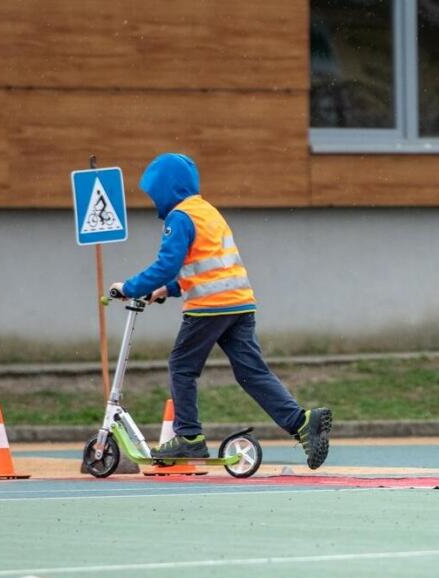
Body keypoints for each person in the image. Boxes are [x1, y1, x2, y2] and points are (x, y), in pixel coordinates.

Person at [110, 153, 332, 469]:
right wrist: (167, 289)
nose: (153, 200)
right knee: (251, 372)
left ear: (166, 188)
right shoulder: (208, 212)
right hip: (239, 304)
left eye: (154, 192)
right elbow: (208, 267)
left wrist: (129, 287)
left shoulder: (180, 217)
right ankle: (301, 422)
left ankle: (188, 437)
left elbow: (167, 264)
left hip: (210, 309)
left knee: (181, 366)